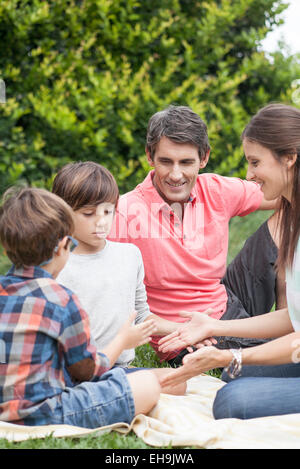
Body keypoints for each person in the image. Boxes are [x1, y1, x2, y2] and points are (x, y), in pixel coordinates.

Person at [108, 105, 280, 366]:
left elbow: (284, 193)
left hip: (226, 297)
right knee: (283, 359)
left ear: (203, 158)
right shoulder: (126, 212)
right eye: (166, 161)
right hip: (186, 333)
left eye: (186, 162)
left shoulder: (216, 189)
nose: (176, 175)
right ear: (149, 156)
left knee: (288, 216)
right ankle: (281, 337)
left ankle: (291, 318)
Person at [158, 103, 300, 420]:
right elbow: (293, 319)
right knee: (234, 376)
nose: (249, 174)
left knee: (232, 401)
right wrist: (214, 326)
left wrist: (230, 354)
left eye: (255, 162)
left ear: (289, 158)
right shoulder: (292, 219)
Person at [0, 186, 161, 427]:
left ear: (6, 248)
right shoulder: (61, 299)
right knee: (147, 385)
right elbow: (88, 372)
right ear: (64, 246)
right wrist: (123, 341)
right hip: (43, 414)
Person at [52, 162, 187, 393]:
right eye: (88, 214)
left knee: (178, 383)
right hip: (71, 372)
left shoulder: (129, 255)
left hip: (118, 369)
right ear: (64, 214)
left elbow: (142, 315)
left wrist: (183, 329)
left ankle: (104, 393)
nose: (101, 221)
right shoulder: (56, 263)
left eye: (108, 211)